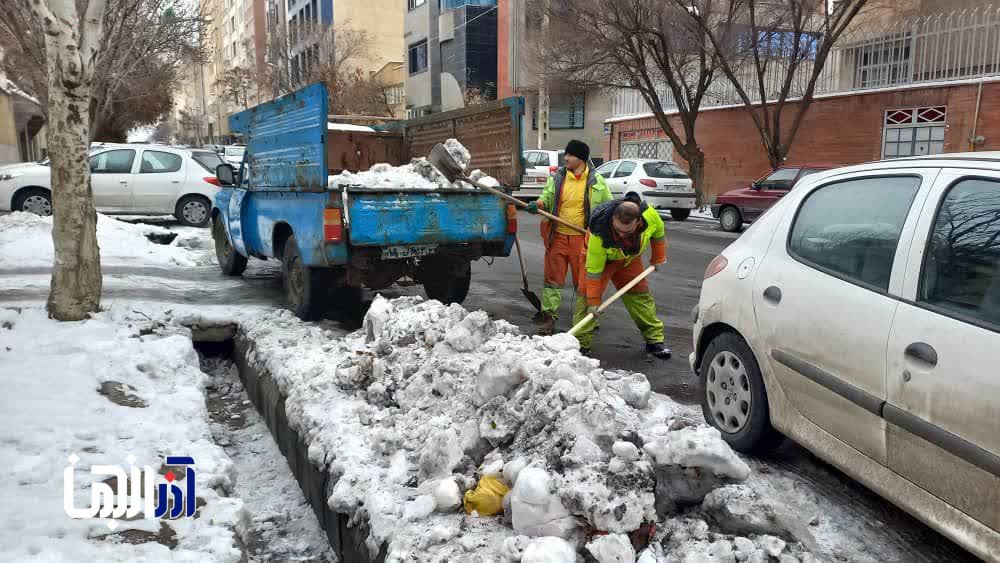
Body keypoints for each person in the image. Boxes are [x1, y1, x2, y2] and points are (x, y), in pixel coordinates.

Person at [526, 140, 612, 335]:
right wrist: (538, 205)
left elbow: (607, 209)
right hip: (557, 237)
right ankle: (549, 317)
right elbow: (546, 198)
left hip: (583, 240)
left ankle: (587, 318)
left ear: (580, 158)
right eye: (566, 154)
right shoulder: (558, 179)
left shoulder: (597, 182)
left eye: (570, 155)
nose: (566, 158)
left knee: (583, 282)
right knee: (552, 280)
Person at [573, 193, 671, 358]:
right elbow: (594, 271)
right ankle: (581, 344)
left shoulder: (650, 217)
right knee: (586, 298)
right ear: (613, 219)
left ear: (638, 222)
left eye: (627, 232)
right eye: (618, 231)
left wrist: (658, 257)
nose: (621, 235)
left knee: (640, 296)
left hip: (629, 259)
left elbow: (659, 232)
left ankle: (654, 340)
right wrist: (593, 302)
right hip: (601, 263)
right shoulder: (599, 231)